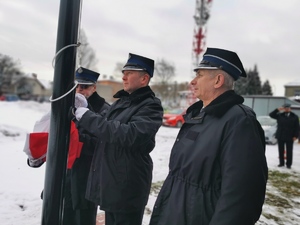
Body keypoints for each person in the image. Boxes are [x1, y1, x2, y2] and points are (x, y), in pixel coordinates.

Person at [149, 48, 268, 225]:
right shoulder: (199, 116)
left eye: (200, 75)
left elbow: (242, 197)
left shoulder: (240, 122)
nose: (192, 81)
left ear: (218, 80)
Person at [74, 53, 163, 225]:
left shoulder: (150, 105)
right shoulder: (123, 102)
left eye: (129, 72)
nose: (123, 76)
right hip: (113, 184)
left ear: (144, 79)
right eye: (124, 72)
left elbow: (130, 135)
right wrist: (86, 112)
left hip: (126, 187)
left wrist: (87, 117)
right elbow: (105, 129)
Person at [26, 67, 110, 225]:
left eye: (84, 87)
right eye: (77, 86)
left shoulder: (103, 110)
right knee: (61, 216)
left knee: (83, 219)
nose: (79, 90)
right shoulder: (67, 105)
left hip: (86, 176)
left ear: (94, 87)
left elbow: (102, 144)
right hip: (63, 174)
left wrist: (75, 140)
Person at [269, 103, 299, 169]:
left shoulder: (294, 116)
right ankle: (281, 163)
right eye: (285, 108)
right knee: (281, 150)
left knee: (289, 151)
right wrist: (277, 110)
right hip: (281, 135)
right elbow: (271, 115)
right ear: (283, 109)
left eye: (288, 108)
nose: (286, 109)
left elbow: (297, 127)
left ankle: (289, 164)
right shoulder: (280, 115)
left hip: (290, 136)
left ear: (290, 108)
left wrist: (296, 136)